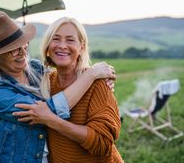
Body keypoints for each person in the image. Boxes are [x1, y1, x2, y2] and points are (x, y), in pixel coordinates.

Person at [0, 11, 116, 163]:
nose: (22, 53)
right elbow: (46, 112)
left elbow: (64, 75)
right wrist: (91, 75)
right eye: (13, 49)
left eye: (23, 44)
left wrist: (100, 78)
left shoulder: (36, 69)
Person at [13, 17, 124, 162]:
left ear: (81, 47)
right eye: (56, 39)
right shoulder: (44, 82)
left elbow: (102, 143)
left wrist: (52, 120)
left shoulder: (97, 84)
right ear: (47, 47)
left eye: (70, 40)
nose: (62, 45)